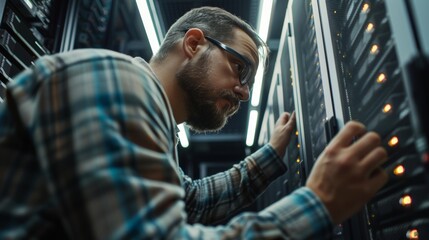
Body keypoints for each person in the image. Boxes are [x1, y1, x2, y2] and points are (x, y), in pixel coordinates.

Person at [0, 6, 388, 239]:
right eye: (239, 68)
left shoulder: (151, 117)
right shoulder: (115, 79)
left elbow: (192, 202)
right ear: (194, 43)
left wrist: (271, 154)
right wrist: (319, 203)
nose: (244, 93)